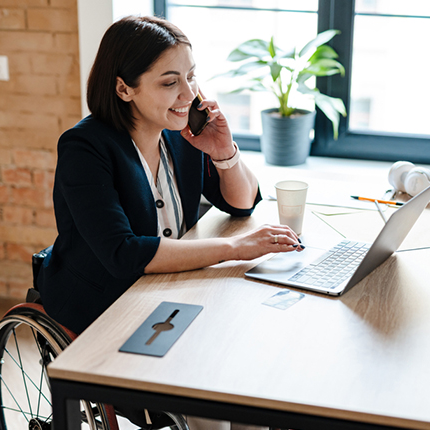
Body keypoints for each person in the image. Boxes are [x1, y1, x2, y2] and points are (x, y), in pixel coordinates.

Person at [36, 15, 303, 430]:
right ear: (124, 88)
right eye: (169, 82)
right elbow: (123, 254)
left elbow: (242, 202)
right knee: (210, 398)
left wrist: (223, 150)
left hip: (173, 290)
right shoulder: (85, 148)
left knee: (258, 383)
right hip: (108, 301)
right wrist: (234, 249)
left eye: (192, 77)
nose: (189, 94)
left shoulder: (179, 133)